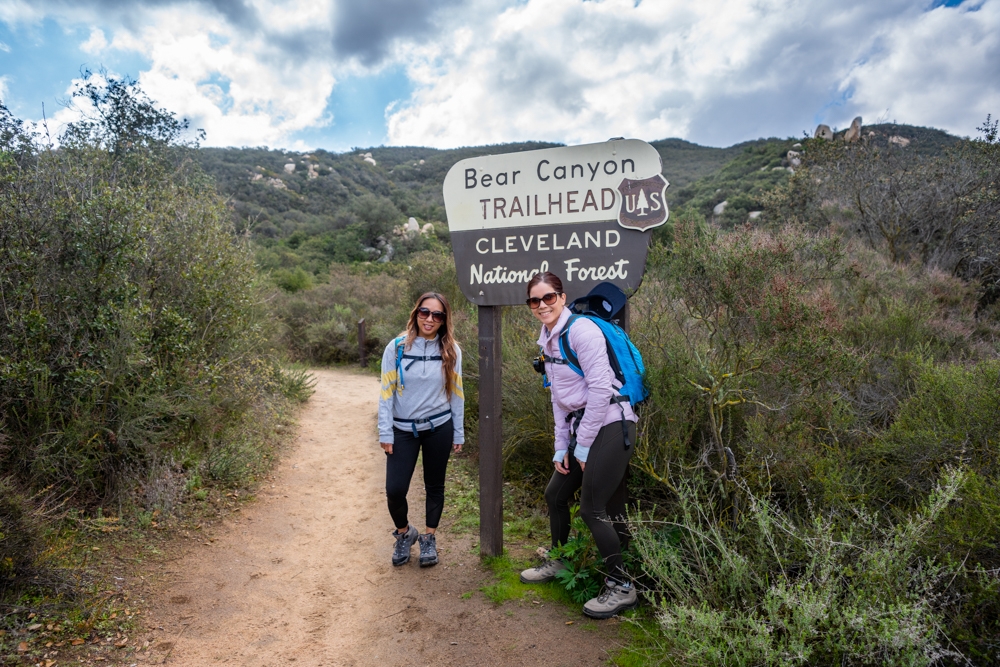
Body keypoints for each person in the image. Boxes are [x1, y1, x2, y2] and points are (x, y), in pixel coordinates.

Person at [518, 272, 638, 619]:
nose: (542, 305)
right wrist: (562, 447)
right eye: (534, 301)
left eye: (549, 298)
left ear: (562, 296)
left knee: (593, 508)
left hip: (613, 423)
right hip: (584, 426)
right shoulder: (548, 340)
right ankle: (559, 560)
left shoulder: (581, 331)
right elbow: (559, 399)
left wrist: (581, 447)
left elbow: (601, 389)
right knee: (556, 494)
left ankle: (622, 587)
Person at [378, 292, 464, 567]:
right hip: (402, 429)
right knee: (395, 489)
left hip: (439, 426)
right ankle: (404, 533)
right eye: (425, 312)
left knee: (435, 486)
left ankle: (429, 539)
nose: (430, 319)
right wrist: (385, 432)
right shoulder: (397, 347)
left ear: (444, 320)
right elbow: (386, 392)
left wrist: (459, 432)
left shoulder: (451, 350)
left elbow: (457, 393)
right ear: (416, 313)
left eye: (437, 315)